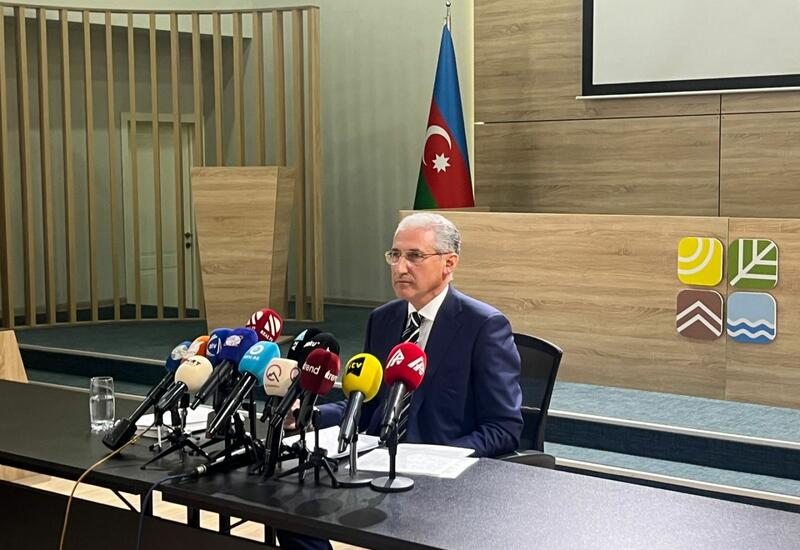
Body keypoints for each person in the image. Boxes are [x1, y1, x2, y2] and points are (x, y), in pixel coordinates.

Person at [278, 212, 523, 550]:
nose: (400, 267)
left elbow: (504, 427)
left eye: (414, 256)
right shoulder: (383, 319)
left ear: (449, 263)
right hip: (375, 463)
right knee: (287, 507)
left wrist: (437, 458)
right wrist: (310, 414)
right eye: (395, 255)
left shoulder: (483, 326)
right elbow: (366, 403)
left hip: (439, 478)